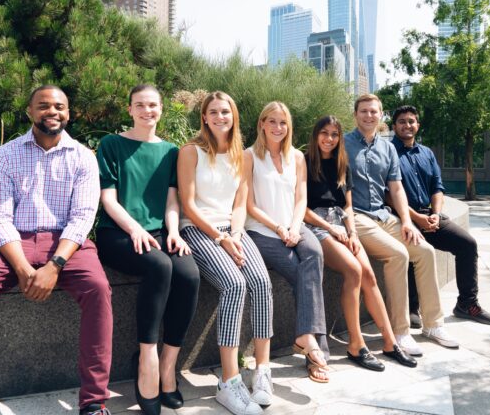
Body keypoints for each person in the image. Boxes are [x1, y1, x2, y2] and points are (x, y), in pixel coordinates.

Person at [0, 86, 112, 415]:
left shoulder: (84, 157)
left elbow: (83, 216)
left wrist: (54, 265)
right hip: (13, 243)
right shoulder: (5, 155)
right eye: (43, 106)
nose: (52, 111)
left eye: (59, 106)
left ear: (68, 114)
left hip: (68, 244)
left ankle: (94, 403)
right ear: (30, 112)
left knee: (99, 289)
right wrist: (25, 270)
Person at [95, 85, 200, 414]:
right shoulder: (111, 144)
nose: (146, 110)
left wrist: (172, 232)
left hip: (157, 231)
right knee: (159, 266)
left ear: (161, 109)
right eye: (139, 105)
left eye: (152, 105)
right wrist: (135, 228)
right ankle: (147, 363)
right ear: (129, 110)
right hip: (118, 233)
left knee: (188, 273)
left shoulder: (170, 151)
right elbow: (108, 200)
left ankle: (168, 366)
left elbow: (172, 201)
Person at [177, 91, 273, 415]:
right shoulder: (191, 152)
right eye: (214, 112)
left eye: (226, 112)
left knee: (260, 281)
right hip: (199, 229)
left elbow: (239, 205)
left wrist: (233, 234)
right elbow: (188, 204)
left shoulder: (241, 156)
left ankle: (261, 371)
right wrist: (220, 238)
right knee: (235, 284)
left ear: (234, 116)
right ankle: (229, 383)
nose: (220, 117)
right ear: (204, 117)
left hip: (232, 229)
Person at [344, 94, 458, 356]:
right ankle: (400, 331)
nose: (369, 115)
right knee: (398, 255)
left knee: (426, 251)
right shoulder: (344, 144)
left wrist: (407, 221)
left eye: (374, 111)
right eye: (363, 111)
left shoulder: (388, 148)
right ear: (355, 115)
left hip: (385, 216)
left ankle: (433, 324)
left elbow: (395, 188)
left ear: (381, 115)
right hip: (357, 217)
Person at [304, 115, 417, 372]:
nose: (329, 139)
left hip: (343, 224)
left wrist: (352, 233)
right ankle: (356, 344)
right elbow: (301, 208)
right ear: (316, 134)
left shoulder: (343, 163)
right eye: (325, 133)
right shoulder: (305, 162)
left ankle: (390, 343)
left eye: (334, 134)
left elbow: (348, 205)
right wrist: (330, 228)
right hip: (316, 225)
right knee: (353, 271)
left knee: (369, 276)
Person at [244, 102, 330, 383]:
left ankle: (306, 339)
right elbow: (249, 205)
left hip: (295, 225)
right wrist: (280, 228)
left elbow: (300, 198)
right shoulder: (249, 156)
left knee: (314, 255)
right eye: (272, 121)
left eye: (283, 123)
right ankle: (315, 350)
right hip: (262, 232)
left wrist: (294, 227)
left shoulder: (297, 157)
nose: (277, 127)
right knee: (303, 276)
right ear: (262, 124)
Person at [391, 106, 490, 327]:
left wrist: (436, 215)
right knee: (413, 248)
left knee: (467, 244)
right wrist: (415, 219)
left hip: (430, 215)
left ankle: (467, 304)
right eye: (402, 121)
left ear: (417, 125)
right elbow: (388, 194)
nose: (407, 125)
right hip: (403, 218)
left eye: (411, 121)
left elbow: (437, 188)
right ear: (394, 126)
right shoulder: (388, 152)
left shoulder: (427, 153)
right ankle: (412, 308)